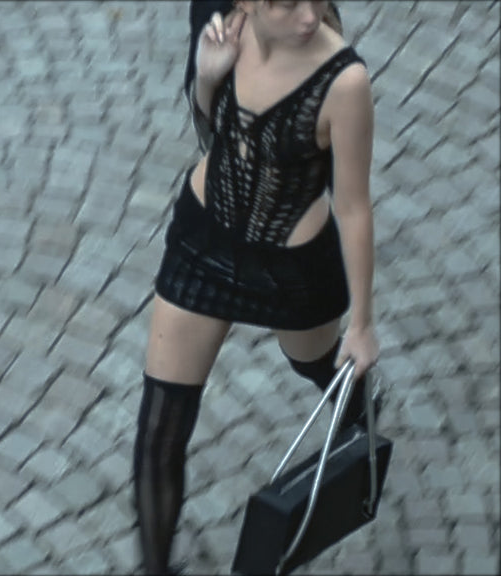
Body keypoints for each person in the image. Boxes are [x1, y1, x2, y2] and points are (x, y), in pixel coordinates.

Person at [133, 1, 380, 573]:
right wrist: (207, 75)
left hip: (290, 272)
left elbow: (355, 207)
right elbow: (209, 132)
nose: (307, 17)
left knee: (320, 365)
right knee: (158, 430)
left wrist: (363, 326)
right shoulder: (218, 20)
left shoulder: (343, 80)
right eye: (286, 4)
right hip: (204, 243)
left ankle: (359, 407)